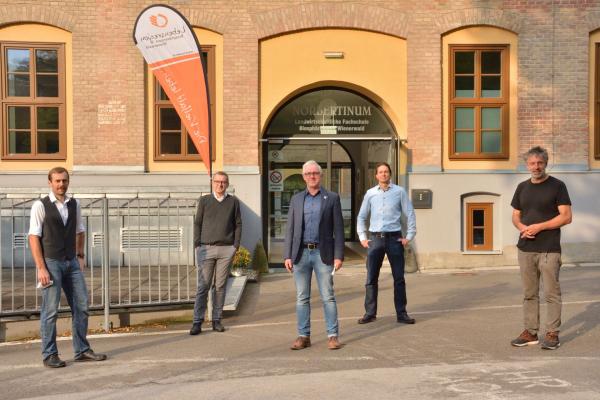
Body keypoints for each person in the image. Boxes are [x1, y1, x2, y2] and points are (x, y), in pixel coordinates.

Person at [29, 167, 107, 368]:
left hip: (72, 262)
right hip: (51, 262)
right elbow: (33, 237)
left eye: (64, 181)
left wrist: (80, 255)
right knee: (50, 311)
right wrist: (41, 267)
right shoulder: (40, 205)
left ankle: (81, 350)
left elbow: (80, 231)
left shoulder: (75, 204)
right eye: (57, 181)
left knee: (82, 306)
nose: (61, 184)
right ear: (50, 182)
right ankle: (49, 355)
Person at [510, 146, 572, 350]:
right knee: (529, 293)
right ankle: (530, 332)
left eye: (540, 163)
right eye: (532, 163)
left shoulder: (557, 186)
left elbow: (566, 216)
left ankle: (552, 333)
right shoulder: (521, 187)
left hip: (549, 249)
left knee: (552, 293)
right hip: (526, 248)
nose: (536, 167)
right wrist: (522, 228)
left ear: (545, 163)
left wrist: (539, 227)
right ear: (527, 165)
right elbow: (516, 216)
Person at [283, 160, 344, 350]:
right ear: (303, 177)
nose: (312, 176)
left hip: (323, 254)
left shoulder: (332, 198)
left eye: (315, 173)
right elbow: (290, 229)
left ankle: (332, 336)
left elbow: (339, 230)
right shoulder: (296, 199)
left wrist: (338, 255)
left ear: (321, 175)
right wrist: (287, 255)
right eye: (308, 174)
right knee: (302, 297)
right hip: (300, 254)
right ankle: (304, 336)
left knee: (328, 296)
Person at [356, 162, 417, 325]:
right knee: (371, 278)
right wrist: (362, 237)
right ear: (376, 175)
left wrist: (409, 236)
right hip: (375, 239)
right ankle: (370, 313)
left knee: (399, 278)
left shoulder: (399, 192)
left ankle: (402, 313)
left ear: (389, 174)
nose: (383, 174)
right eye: (380, 172)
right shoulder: (370, 194)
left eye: (386, 172)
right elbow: (361, 217)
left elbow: (410, 213)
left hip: (394, 239)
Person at [190, 171, 242, 335]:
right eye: (218, 181)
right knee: (203, 286)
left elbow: (238, 224)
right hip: (206, 248)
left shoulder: (233, 202)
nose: (220, 184)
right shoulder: (205, 200)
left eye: (223, 182)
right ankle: (197, 321)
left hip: (226, 249)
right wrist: (197, 244)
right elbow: (198, 223)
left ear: (227, 184)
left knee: (220, 286)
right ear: (213, 183)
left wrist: (235, 245)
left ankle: (216, 320)